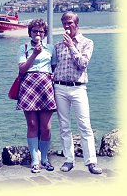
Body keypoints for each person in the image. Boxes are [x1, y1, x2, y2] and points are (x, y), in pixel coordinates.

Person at [54, 11, 102, 175]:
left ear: (76, 23)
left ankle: (91, 162)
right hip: (60, 87)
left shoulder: (87, 42)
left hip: (78, 87)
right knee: (64, 126)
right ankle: (69, 160)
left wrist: (72, 47)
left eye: (70, 23)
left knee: (84, 125)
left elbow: (83, 64)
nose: (67, 26)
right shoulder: (58, 46)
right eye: (65, 23)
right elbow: (54, 67)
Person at [16, 19, 57, 173]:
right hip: (29, 85)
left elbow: (53, 68)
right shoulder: (24, 47)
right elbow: (22, 69)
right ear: (30, 33)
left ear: (44, 33)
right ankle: (35, 160)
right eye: (35, 31)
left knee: (46, 127)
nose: (38, 34)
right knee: (32, 125)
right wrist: (34, 54)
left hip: (46, 85)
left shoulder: (51, 48)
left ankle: (44, 158)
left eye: (40, 31)